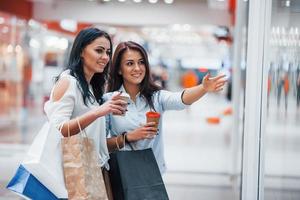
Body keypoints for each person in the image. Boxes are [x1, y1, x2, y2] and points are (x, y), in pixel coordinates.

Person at [104, 41, 226, 174]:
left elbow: (179, 99)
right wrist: (128, 137)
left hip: (152, 174)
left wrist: (203, 88)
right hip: (121, 173)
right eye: (129, 63)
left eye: (141, 62)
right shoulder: (109, 101)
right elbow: (101, 145)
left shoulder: (156, 97)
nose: (137, 68)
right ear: (119, 69)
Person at [43, 27, 127, 199]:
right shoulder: (68, 82)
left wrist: (128, 137)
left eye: (108, 52)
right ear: (81, 51)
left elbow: (92, 136)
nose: (105, 57)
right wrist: (98, 112)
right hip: (75, 170)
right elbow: (60, 129)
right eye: (99, 50)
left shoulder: (91, 87)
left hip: (95, 167)